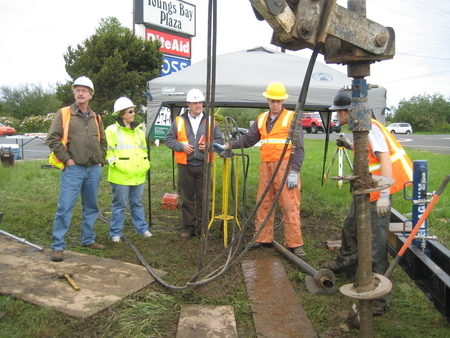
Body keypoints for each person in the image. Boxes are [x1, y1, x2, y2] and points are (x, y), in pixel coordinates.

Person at [324, 89, 412, 314]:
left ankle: (377, 299)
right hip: (366, 188)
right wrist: (350, 145)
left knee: (374, 244)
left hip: (377, 190)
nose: (337, 117)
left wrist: (384, 194)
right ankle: (346, 265)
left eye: (338, 113)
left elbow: (383, 157)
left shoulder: (370, 127)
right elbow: (370, 153)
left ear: (347, 112)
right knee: (351, 225)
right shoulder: (361, 128)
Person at [215, 82, 306, 258]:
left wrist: (294, 171)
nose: (275, 104)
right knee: (263, 202)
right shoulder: (262, 118)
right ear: (267, 100)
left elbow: (299, 147)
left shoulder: (291, 118)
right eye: (272, 100)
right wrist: (227, 145)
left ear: (283, 101)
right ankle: (262, 237)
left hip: (285, 167)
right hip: (266, 166)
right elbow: (248, 140)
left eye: (278, 101)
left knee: (289, 205)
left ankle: (295, 243)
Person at [46, 76, 107, 262]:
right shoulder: (64, 113)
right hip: (73, 169)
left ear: (90, 95)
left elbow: (103, 141)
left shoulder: (96, 117)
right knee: (65, 207)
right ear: (74, 93)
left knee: (91, 207)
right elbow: (52, 139)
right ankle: (58, 246)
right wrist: (68, 160)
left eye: (84, 90)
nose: (80, 93)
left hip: (93, 169)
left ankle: (88, 239)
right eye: (77, 90)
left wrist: (100, 160)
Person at [165, 89, 223, 239]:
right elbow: (169, 140)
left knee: (204, 197)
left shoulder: (211, 121)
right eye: (195, 103)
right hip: (185, 165)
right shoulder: (179, 121)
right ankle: (189, 228)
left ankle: (204, 228)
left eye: (200, 102)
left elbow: (219, 141)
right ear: (188, 104)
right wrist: (181, 147)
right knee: (187, 197)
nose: (198, 105)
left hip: (205, 164)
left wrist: (210, 145)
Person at [105, 97, 152, 242]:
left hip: (138, 174)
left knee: (137, 203)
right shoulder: (112, 130)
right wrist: (116, 164)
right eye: (130, 111)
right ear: (121, 113)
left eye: (134, 111)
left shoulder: (138, 130)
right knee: (119, 205)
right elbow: (108, 151)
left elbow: (144, 151)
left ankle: (142, 229)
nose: (133, 113)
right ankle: (115, 233)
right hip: (120, 176)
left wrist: (146, 164)